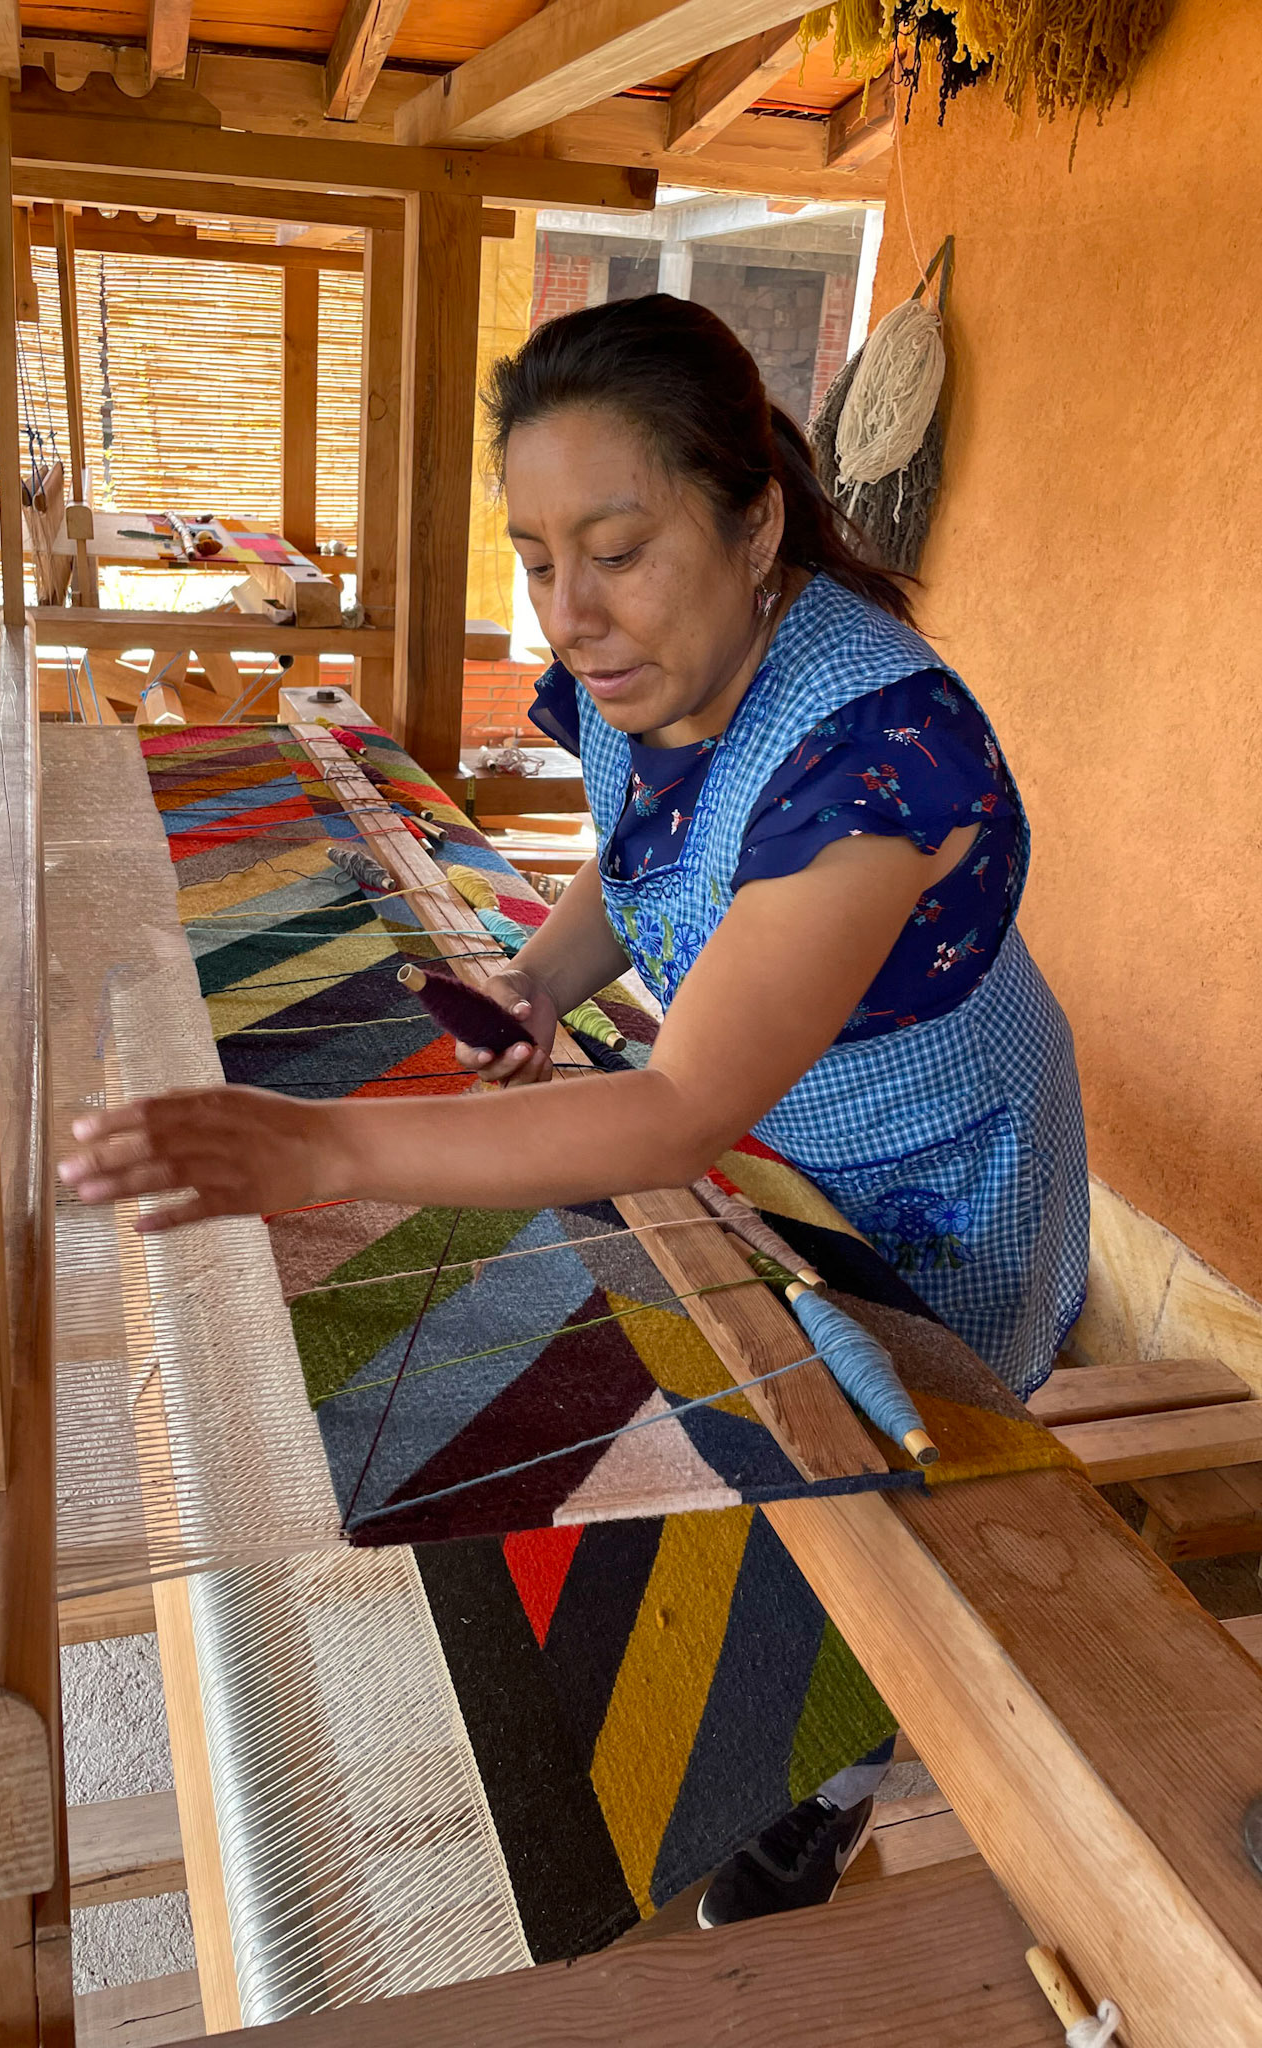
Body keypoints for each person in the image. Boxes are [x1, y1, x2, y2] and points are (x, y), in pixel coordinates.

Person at [61, 294, 1089, 1925]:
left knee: (887, 1472)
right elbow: (643, 855)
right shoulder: (663, 672)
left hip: (924, 1170)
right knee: (753, 1413)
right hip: (776, 1110)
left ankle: (816, 1781)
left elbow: (679, 1104)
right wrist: (539, 983)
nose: (572, 615)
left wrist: (324, 1145)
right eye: (539, 560)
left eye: (616, 549)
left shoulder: (883, 755)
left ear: (755, 522)